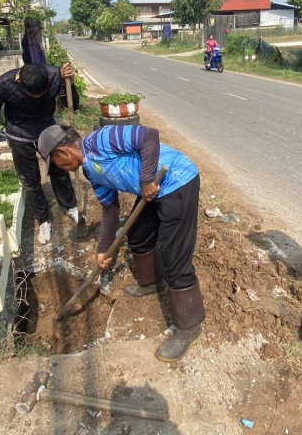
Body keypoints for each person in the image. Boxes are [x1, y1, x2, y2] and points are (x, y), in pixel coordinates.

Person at [37, 124, 205, 363]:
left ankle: (190, 329)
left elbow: (149, 136)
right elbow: (110, 208)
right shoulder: (91, 171)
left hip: (176, 180)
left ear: (63, 152)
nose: (59, 169)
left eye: (55, 163)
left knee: (174, 255)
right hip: (151, 191)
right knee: (138, 233)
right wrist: (103, 249)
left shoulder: (100, 140)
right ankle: (153, 283)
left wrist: (146, 179)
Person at [0, 63, 80, 246]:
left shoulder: (55, 76)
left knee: (59, 169)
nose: (38, 97)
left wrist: (71, 83)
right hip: (19, 132)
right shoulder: (3, 84)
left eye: (42, 94)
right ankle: (43, 220)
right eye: (33, 95)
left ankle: (69, 206)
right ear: (19, 81)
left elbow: (72, 106)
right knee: (30, 180)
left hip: (47, 128)